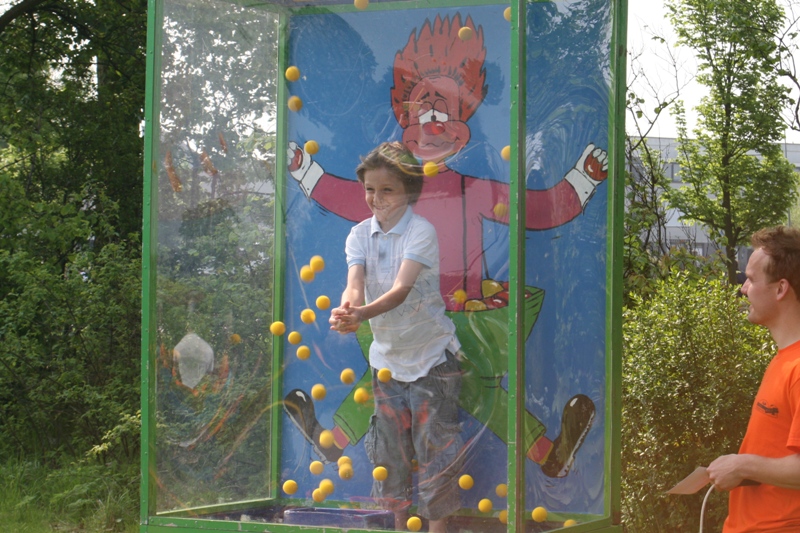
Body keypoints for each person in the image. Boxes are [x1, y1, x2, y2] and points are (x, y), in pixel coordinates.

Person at [328, 141, 462, 532]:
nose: (376, 198)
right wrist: (347, 310)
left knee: (435, 452)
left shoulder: (421, 232)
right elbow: (355, 284)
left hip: (431, 362)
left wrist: (361, 316)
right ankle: (397, 527)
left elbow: (402, 289)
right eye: (370, 189)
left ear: (409, 191)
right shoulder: (358, 235)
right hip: (387, 366)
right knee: (388, 456)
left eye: (387, 189)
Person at [706, 225, 800, 532]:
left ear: (781, 289)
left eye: (750, 279)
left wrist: (742, 464)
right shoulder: (784, 359)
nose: (743, 289)